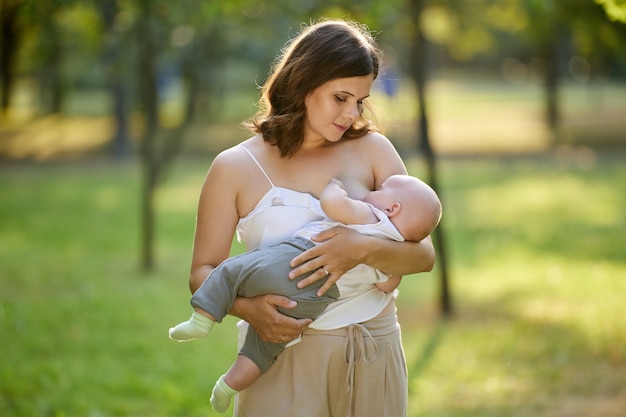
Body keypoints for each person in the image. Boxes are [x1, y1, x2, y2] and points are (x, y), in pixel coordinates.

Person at [184, 18, 436, 417]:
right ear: (304, 81)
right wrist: (252, 312)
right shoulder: (234, 166)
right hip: (281, 358)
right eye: (340, 98)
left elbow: (423, 255)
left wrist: (358, 249)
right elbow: (203, 272)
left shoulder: (373, 150)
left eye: (360, 101)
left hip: (370, 347)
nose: (351, 113)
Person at [169, 174, 442, 413]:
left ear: (392, 208)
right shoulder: (392, 252)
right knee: (261, 353)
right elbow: (387, 285)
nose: (373, 191)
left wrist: (336, 187)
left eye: (381, 189)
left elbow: (334, 205)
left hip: (294, 265)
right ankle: (227, 385)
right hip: (315, 302)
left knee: (232, 271)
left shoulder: (372, 216)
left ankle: (202, 320)